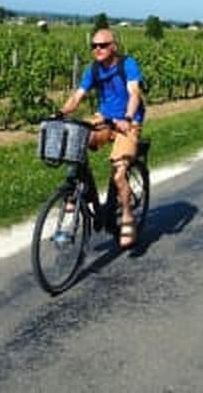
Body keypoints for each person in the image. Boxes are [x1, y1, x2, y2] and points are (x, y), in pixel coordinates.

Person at [60, 29, 146, 249]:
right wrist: (61, 114)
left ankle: (127, 216)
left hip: (127, 122)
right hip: (105, 119)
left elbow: (134, 93)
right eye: (94, 46)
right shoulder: (93, 70)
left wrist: (127, 118)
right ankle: (76, 187)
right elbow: (78, 96)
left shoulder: (127, 65)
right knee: (75, 139)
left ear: (114, 46)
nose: (97, 49)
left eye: (103, 45)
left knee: (119, 174)